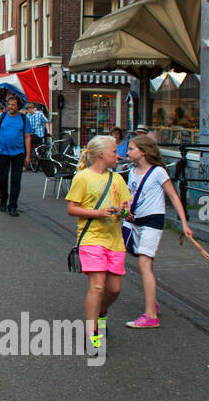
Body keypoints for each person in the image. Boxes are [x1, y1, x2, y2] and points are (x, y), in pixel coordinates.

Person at [65, 135, 133, 355]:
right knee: (98, 286)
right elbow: (72, 208)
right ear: (102, 154)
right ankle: (91, 330)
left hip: (114, 239)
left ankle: (101, 311)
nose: (118, 155)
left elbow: (127, 211)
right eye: (114, 151)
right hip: (91, 238)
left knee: (114, 289)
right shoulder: (83, 177)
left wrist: (125, 212)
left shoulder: (118, 180)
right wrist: (98, 213)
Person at [123, 134, 194, 328]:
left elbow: (173, 196)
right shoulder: (131, 171)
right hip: (134, 220)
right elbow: (130, 195)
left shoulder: (158, 172)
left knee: (144, 264)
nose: (127, 152)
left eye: (131, 149)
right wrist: (127, 209)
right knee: (138, 259)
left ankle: (150, 316)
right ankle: (151, 299)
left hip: (153, 221)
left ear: (143, 152)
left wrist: (184, 224)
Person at [0, 95, 32, 216]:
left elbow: (27, 137)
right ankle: (3, 199)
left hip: (18, 152)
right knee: (2, 178)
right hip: (3, 152)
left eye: (13, 105)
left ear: (18, 106)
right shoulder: (1, 117)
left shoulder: (24, 119)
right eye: (9, 104)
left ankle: (13, 205)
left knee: (16, 180)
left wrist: (28, 156)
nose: (10, 107)